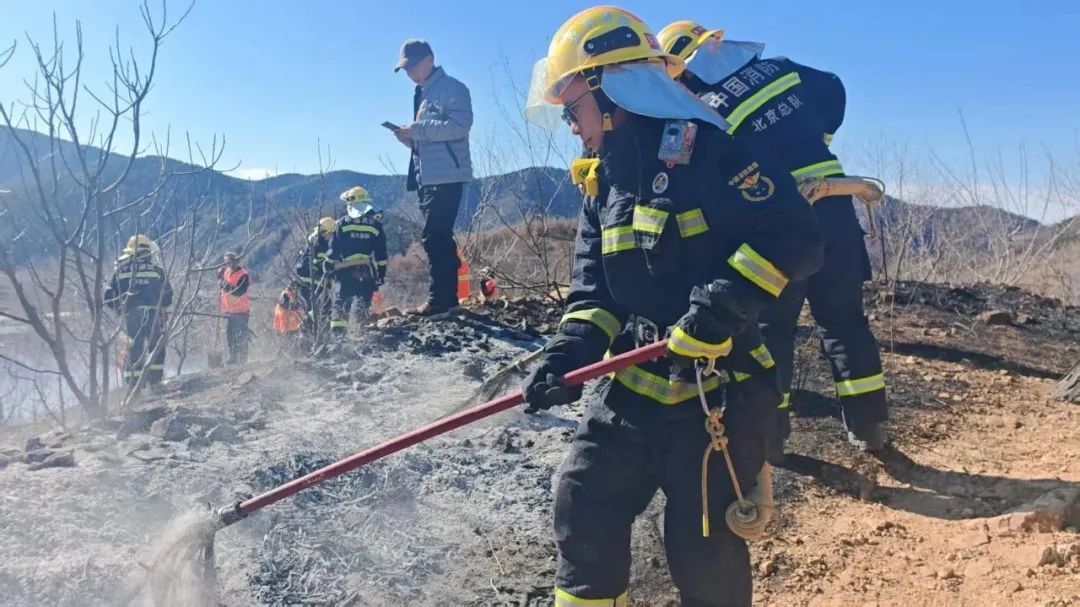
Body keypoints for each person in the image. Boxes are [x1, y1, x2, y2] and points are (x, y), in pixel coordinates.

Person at [521, 7, 823, 606]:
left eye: (573, 109)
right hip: (631, 385)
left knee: (702, 546)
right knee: (582, 501)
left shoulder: (711, 152)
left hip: (717, 389)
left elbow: (796, 237)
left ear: (611, 92)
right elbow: (595, 293)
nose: (573, 127)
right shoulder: (602, 182)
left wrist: (720, 307)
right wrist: (568, 353)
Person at [657, 21, 888, 454]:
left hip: (779, 221)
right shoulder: (779, 68)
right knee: (843, 319)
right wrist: (814, 141)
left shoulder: (699, 106)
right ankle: (869, 427)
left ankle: (770, 439)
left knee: (771, 330)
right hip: (836, 201)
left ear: (681, 68)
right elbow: (833, 91)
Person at [391, 38, 473, 316]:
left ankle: (442, 301)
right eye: (405, 69)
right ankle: (444, 299)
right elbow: (429, 137)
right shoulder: (423, 93)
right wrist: (408, 138)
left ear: (429, 59)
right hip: (428, 177)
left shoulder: (453, 89)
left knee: (435, 236)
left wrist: (416, 130)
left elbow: (460, 127)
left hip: (447, 176)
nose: (409, 72)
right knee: (437, 237)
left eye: (412, 66)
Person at [104, 235, 173, 390]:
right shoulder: (157, 271)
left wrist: (120, 308)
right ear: (148, 252)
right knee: (156, 348)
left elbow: (108, 296)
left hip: (130, 317)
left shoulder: (120, 272)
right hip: (154, 316)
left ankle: (134, 389)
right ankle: (155, 384)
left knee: (132, 350)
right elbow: (168, 297)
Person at [327, 186, 388, 334]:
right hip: (367, 271)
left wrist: (327, 265)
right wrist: (381, 273)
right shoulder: (376, 225)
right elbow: (381, 253)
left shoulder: (343, 223)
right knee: (363, 303)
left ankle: (338, 338)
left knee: (341, 303)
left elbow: (334, 249)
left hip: (346, 271)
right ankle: (361, 336)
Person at [296, 216, 334, 332]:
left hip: (306, 282)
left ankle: (312, 333)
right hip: (313, 283)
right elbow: (324, 264)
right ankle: (309, 331)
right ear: (326, 232)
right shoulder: (321, 246)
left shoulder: (314, 241)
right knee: (323, 308)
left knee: (318, 309)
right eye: (331, 233)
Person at [218, 251, 251, 365]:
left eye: (231, 262)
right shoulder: (226, 271)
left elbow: (239, 292)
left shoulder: (243, 275)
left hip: (241, 311)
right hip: (229, 311)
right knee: (230, 335)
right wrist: (220, 277)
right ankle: (233, 357)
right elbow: (222, 283)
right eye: (227, 263)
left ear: (237, 261)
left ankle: (242, 361)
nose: (229, 265)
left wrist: (224, 285)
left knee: (240, 336)